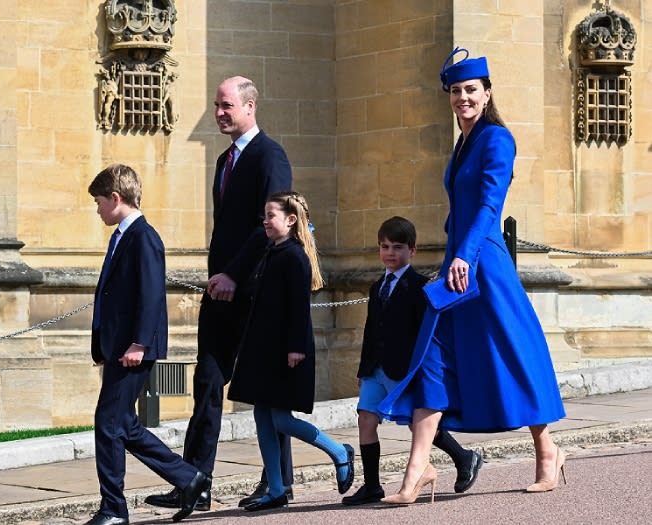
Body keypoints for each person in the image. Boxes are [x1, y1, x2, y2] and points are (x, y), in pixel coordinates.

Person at [380, 48, 567, 505]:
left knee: (513, 353)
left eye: (471, 90)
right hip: (457, 264)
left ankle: (547, 450)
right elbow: (458, 208)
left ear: (486, 94)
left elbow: (488, 204)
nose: (462, 97)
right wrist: (450, 257)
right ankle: (417, 470)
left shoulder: (497, 139)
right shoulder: (462, 142)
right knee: (431, 360)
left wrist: (463, 255)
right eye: (456, 91)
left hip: (485, 263)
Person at [145, 76, 294, 512]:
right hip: (221, 293)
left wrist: (234, 274)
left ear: (250, 106)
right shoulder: (223, 161)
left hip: (255, 292)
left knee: (265, 390)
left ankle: (278, 483)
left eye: (226, 105)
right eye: (216, 106)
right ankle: (195, 482)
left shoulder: (271, 155)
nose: (219, 113)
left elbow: (271, 225)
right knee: (206, 383)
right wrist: (219, 278)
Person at [86, 164, 209, 525]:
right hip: (118, 346)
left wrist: (139, 342)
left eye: (98, 202)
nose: (97, 210)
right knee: (123, 424)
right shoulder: (122, 235)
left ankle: (114, 509)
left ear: (115, 197)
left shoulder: (144, 236)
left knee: (108, 424)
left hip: (132, 349)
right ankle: (190, 478)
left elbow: (152, 294)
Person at [341, 216, 482, 506]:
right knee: (366, 419)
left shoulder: (420, 287)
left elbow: (424, 333)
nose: (390, 253)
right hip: (374, 368)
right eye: (384, 247)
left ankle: (464, 457)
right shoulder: (376, 286)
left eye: (398, 247)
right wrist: (362, 368)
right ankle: (371, 485)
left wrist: (418, 370)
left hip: (403, 367)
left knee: (417, 426)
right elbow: (370, 329)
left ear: (412, 251)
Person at [227, 191, 355, 511]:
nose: (265, 221)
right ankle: (276, 487)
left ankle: (339, 452)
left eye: (271, 216)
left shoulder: (294, 256)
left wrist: (296, 348)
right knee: (261, 416)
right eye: (265, 216)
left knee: (282, 420)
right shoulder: (273, 251)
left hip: (285, 350)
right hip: (263, 348)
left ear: (290, 220)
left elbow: (298, 308)